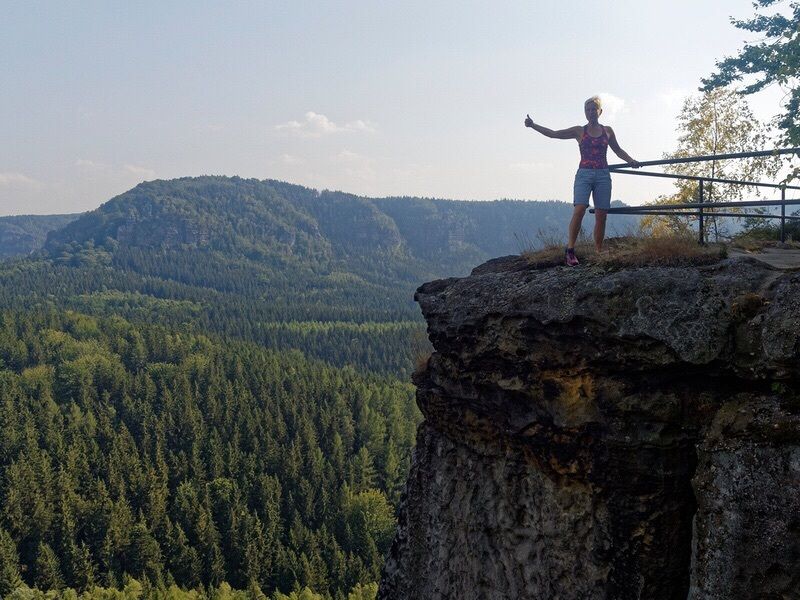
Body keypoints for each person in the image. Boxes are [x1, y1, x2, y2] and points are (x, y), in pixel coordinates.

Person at [525, 96, 639, 266]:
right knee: (579, 209)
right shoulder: (579, 131)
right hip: (584, 174)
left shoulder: (608, 131)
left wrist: (631, 161)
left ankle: (598, 250)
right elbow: (554, 134)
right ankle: (570, 250)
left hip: (603, 175)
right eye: (588, 110)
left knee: (601, 214)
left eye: (594, 109)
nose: (591, 112)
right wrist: (533, 125)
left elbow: (617, 150)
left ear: (600, 112)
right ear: (585, 112)